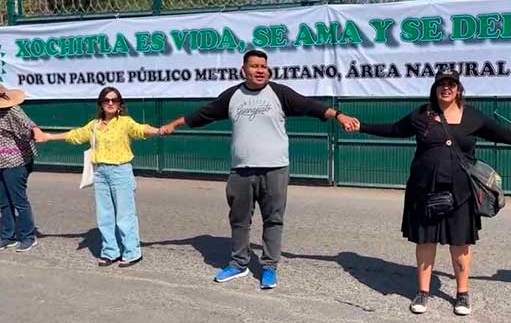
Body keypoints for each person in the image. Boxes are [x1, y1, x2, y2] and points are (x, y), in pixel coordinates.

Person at [353, 69, 511, 315]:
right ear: (435, 89)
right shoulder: (422, 114)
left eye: (452, 84)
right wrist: (361, 126)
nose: (446, 88)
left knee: (460, 244)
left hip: (461, 194)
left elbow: (505, 134)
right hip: (424, 190)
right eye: (442, 84)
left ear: (459, 89)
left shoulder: (473, 117)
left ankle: (462, 294)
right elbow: (393, 129)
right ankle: (423, 292)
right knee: (425, 241)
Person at [159, 49, 359, 289]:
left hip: (275, 169)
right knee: (239, 220)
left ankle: (269, 267)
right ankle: (238, 264)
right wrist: (174, 124)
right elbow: (202, 114)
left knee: (273, 220)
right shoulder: (232, 96)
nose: (260, 70)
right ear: (243, 70)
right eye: (254, 66)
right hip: (241, 170)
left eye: (263, 66)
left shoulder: (280, 93)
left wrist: (339, 115)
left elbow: (311, 107)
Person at [36, 86, 160, 267]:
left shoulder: (125, 122)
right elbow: (76, 135)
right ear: (101, 104)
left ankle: (132, 252)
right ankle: (110, 251)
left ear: (120, 104)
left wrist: (159, 130)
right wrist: (48, 137)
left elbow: (141, 130)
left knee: (125, 215)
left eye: (114, 100)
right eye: (106, 100)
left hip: (120, 171)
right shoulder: (94, 125)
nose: (110, 103)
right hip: (100, 172)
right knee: (105, 214)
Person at [0, 85, 45, 252]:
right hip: (1, 161)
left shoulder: (12, 109)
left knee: (18, 201)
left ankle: (28, 237)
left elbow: (29, 124)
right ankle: (7, 236)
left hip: (16, 162)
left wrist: (36, 131)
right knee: (3, 201)